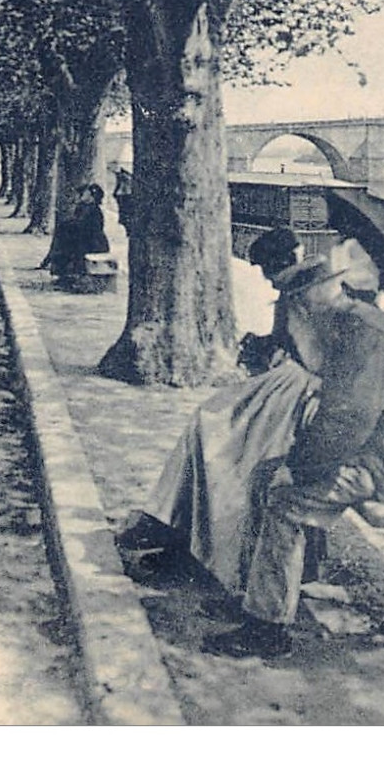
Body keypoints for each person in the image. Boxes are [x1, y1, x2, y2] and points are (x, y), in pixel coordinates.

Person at [200, 252, 384, 660]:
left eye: (296, 303)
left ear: (310, 300)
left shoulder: (364, 333)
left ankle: (268, 629)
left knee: (285, 499)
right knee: (266, 475)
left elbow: (347, 420)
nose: (293, 311)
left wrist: (298, 467)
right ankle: (264, 595)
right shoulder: (352, 321)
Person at [116, 227, 329, 596]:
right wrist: (265, 344)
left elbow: (316, 355)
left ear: (281, 263)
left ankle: (197, 542)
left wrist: (276, 351)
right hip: (285, 389)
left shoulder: (307, 294)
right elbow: (290, 342)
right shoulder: (300, 290)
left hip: (301, 395)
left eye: (266, 269)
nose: (265, 278)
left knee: (224, 442)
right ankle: (183, 530)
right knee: (209, 422)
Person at [43, 184, 110, 280]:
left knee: (69, 244)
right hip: (83, 239)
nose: (82, 195)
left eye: (86, 193)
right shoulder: (82, 207)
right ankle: (61, 271)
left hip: (93, 243)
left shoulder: (94, 210)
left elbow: (90, 229)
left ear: (92, 197)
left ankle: (69, 273)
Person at [111, 167, 134, 236]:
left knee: (124, 211)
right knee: (124, 211)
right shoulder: (126, 177)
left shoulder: (123, 177)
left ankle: (127, 228)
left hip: (124, 196)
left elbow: (119, 186)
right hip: (124, 195)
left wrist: (115, 194)